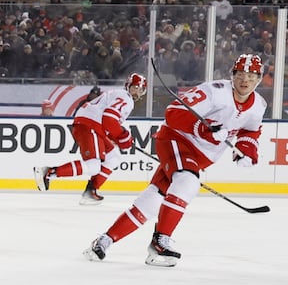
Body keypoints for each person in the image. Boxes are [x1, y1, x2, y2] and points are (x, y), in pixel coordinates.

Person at [86, 55, 265, 267]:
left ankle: (104, 240)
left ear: (259, 79)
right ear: (232, 75)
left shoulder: (259, 105)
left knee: (152, 200)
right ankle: (159, 242)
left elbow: (250, 131)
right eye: (241, 74)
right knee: (187, 182)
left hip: (199, 157)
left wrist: (246, 150)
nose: (245, 80)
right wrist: (205, 130)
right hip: (176, 139)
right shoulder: (214, 91)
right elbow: (173, 113)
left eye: (251, 76)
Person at [34, 74, 147, 203]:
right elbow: (109, 118)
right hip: (90, 124)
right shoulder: (126, 98)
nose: (137, 92)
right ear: (128, 86)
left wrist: (119, 138)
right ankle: (49, 172)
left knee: (113, 157)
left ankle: (91, 191)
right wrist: (123, 137)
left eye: (141, 89)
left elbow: (108, 122)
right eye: (135, 88)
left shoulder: (119, 95)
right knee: (93, 166)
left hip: (91, 124)